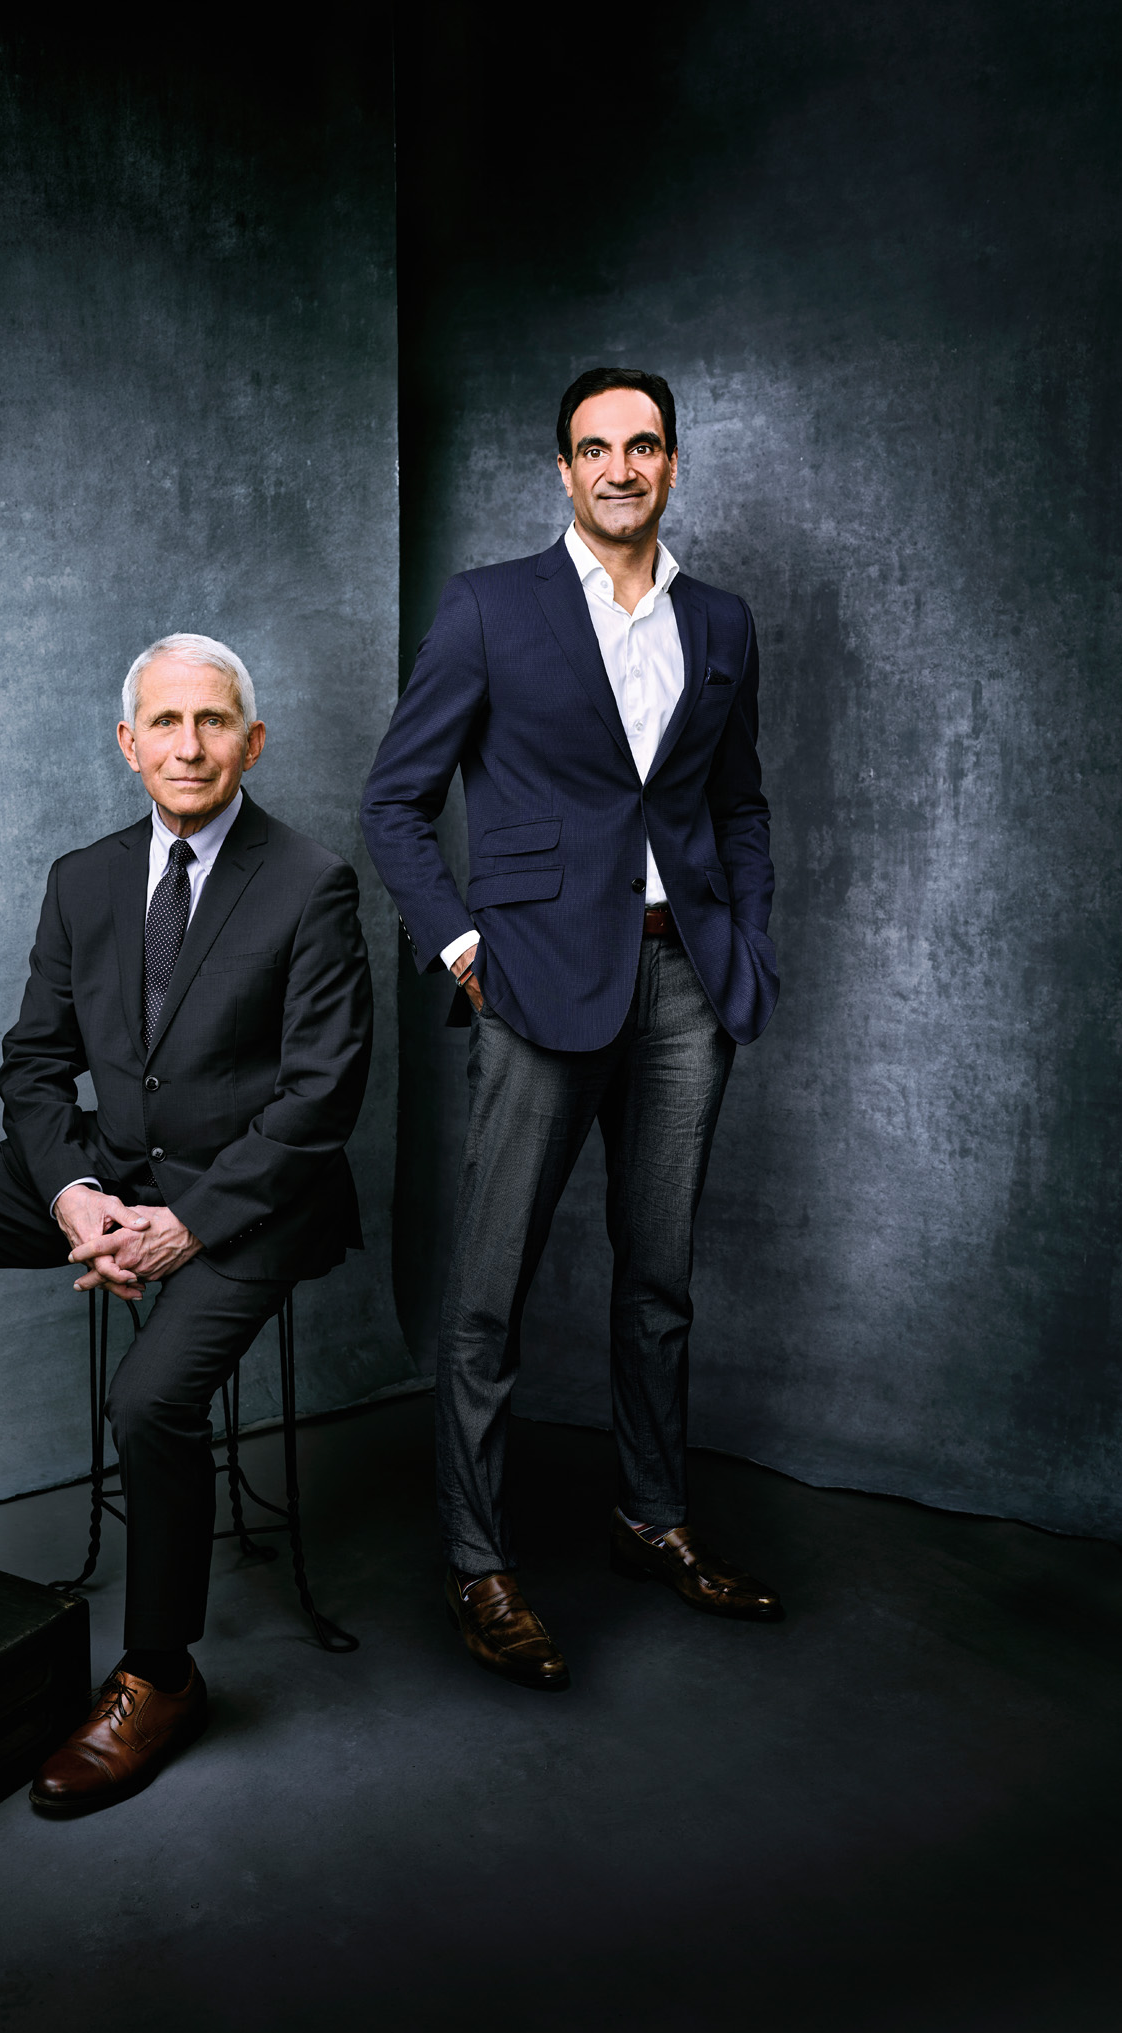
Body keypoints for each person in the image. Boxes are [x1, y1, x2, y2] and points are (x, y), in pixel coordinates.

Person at [0, 633, 373, 1811]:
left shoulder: (311, 880)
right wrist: (74, 1196)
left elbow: (324, 1099)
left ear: (251, 741)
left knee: (150, 1399)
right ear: (128, 744)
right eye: (164, 723)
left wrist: (190, 1223)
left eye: (213, 721)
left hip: (250, 1194)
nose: (188, 744)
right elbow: (33, 1068)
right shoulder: (84, 876)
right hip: (109, 1167)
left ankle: (160, 1676)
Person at [360, 368, 781, 1691]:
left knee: (656, 1285)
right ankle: (478, 1562)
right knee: (485, 1298)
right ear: (559, 471)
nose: (617, 467)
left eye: (641, 445)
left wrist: (742, 946)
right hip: (533, 984)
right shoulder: (492, 607)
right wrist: (464, 943)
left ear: (670, 463)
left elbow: (739, 803)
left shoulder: (718, 622)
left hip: (680, 990)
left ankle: (647, 1518)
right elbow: (394, 802)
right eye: (592, 448)